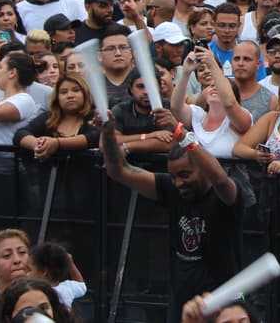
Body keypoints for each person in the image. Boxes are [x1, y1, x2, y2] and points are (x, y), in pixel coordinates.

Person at [100, 111, 244, 323]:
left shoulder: (225, 195)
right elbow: (118, 171)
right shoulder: (171, 189)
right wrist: (108, 134)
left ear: (203, 169)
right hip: (182, 302)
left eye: (185, 175)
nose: (178, 183)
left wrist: (180, 132)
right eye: (174, 176)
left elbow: (220, 180)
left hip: (224, 302)